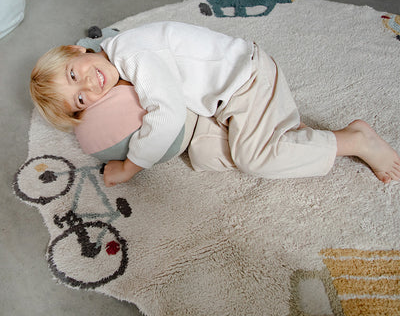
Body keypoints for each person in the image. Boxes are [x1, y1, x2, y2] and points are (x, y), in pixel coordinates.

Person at [30, 21, 400, 187]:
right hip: (222, 99)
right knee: (204, 155)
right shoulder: (114, 56)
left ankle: (355, 140)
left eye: (74, 73)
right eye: (81, 100)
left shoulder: (131, 52)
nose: (89, 87)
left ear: (77, 50)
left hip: (248, 79)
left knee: (257, 159)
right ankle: (287, 134)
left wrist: (131, 166)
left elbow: (167, 114)